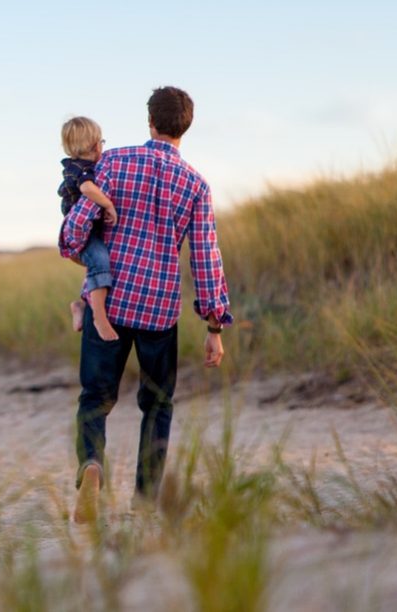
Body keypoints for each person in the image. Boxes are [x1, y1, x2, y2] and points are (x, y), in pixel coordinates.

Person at [59, 86, 233, 523]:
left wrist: (77, 247)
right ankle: (145, 500)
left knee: (95, 399)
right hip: (159, 311)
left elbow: (76, 227)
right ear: (185, 127)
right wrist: (214, 327)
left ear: (149, 121)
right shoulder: (196, 184)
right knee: (157, 405)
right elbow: (206, 257)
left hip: (111, 304)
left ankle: (92, 466)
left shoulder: (113, 161)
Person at [58, 116, 120, 341]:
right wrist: (108, 204)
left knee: (98, 264)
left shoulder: (77, 165)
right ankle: (99, 318)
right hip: (82, 233)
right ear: (96, 145)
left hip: (88, 230)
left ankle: (81, 305)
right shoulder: (82, 170)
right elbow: (87, 189)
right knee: (100, 262)